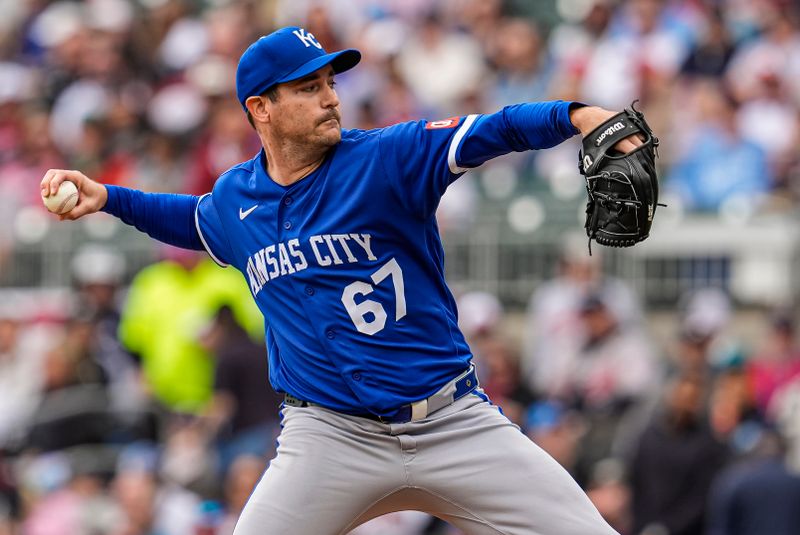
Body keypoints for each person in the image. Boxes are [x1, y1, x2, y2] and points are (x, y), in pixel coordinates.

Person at [41, 26, 642, 535]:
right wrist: (109, 198)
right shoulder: (236, 199)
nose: (330, 99)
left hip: (453, 423)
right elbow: (190, 219)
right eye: (309, 87)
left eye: (331, 83)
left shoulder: (386, 158)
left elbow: (497, 128)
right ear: (261, 108)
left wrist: (580, 114)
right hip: (328, 439)